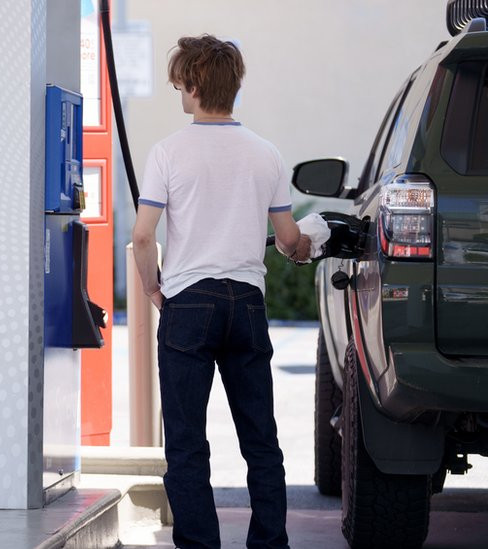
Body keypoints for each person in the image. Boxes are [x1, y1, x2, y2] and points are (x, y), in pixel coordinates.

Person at [131, 35, 310, 549]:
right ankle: (270, 542)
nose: (178, 94)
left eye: (178, 86)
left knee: (187, 443)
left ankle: (200, 544)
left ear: (192, 84)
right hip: (246, 302)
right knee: (261, 438)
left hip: (188, 302)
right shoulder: (266, 154)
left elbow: (144, 235)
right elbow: (290, 239)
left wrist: (151, 285)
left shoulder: (168, 151)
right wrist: (304, 243)